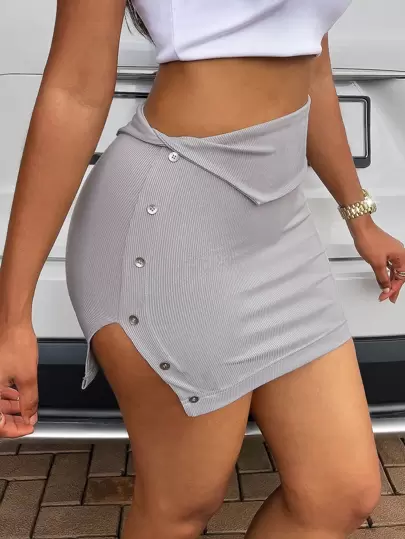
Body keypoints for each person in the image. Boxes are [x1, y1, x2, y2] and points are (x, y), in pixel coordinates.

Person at [1, 0, 405, 537]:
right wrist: (13, 319)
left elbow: (312, 65)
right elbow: (74, 90)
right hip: (169, 225)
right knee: (183, 503)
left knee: (341, 491)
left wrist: (359, 216)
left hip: (280, 227)